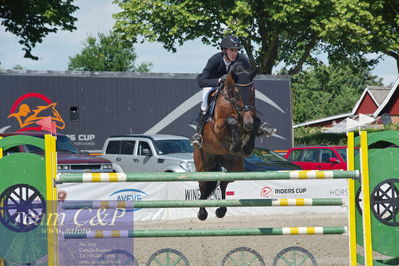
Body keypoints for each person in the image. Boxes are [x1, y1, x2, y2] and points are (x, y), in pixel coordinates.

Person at [191, 35, 276, 149]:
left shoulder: (241, 59)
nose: (234, 53)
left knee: (246, 95)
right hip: (214, 85)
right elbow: (201, 81)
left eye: (236, 50)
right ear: (224, 50)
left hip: (232, 87)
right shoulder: (215, 60)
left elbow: (246, 76)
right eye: (232, 50)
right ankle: (198, 133)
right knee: (205, 103)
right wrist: (219, 80)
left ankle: (258, 124)